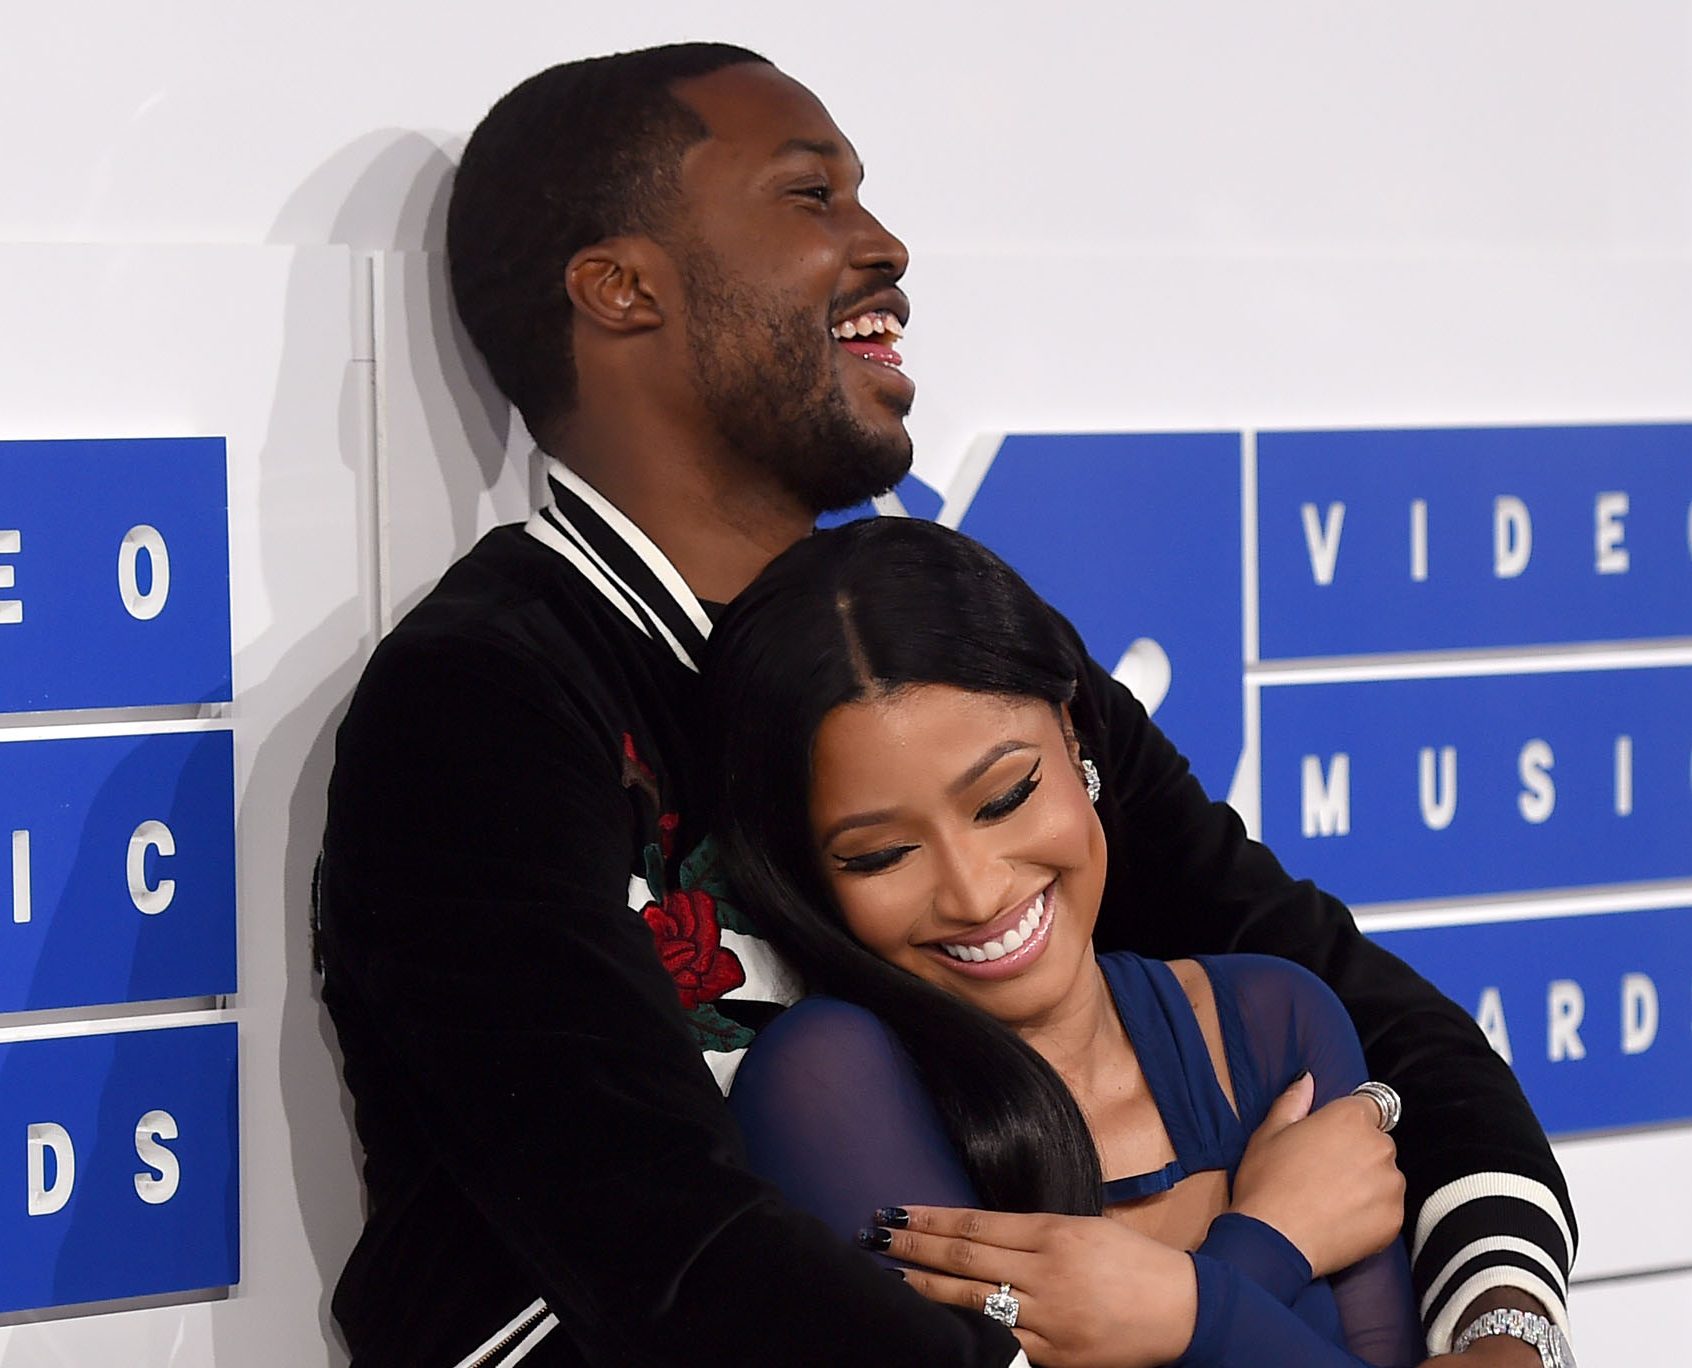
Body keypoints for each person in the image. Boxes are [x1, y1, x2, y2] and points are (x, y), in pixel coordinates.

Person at [312, 40, 1576, 1368]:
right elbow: (655, 1245)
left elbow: (1370, 1020)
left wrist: (1504, 1331)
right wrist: (1223, 1276)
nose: (884, 246)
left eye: (1003, 797)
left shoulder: (937, 638)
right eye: (812, 195)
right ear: (624, 289)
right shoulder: (481, 706)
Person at [711, 514, 1423, 1366]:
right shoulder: (827, 1085)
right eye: (881, 855)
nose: (975, 893)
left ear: (1074, 735)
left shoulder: (1276, 1023)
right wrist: (1256, 1254)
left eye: (1005, 797)